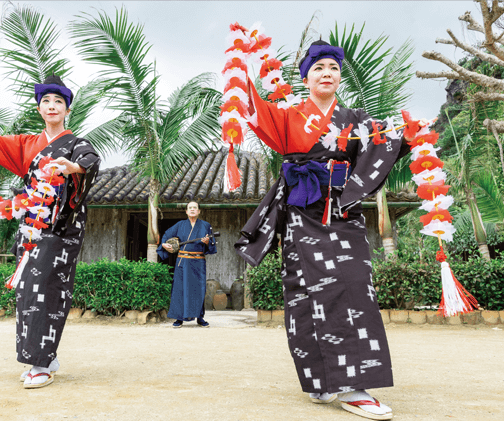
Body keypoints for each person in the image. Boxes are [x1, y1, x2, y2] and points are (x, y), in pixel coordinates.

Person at [235, 40, 425, 420]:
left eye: (334, 68)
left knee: (354, 285)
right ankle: (320, 380)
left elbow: (388, 142)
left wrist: (414, 130)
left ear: (340, 78)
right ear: (306, 78)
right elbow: (250, 104)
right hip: (299, 216)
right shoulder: (288, 116)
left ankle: (355, 386)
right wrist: (239, 65)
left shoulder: (356, 120)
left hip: (342, 210)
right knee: (303, 294)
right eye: (319, 67)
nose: (327, 73)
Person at [0, 74, 100, 389]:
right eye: (46, 101)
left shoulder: (77, 143)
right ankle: (43, 357)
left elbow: (89, 161)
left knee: (47, 287)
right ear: (39, 108)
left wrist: (73, 168)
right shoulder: (27, 144)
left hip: (62, 225)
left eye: (58, 102)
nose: (52, 106)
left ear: (67, 110)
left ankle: (41, 363)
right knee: (28, 289)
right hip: (31, 226)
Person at [157, 202, 217, 328]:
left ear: (199, 211)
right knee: (180, 289)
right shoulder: (180, 225)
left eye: (195, 208)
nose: (192, 210)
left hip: (198, 262)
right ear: (186, 211)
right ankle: (179, 319)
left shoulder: (206, 225)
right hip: (183, 262)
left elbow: (211, 244)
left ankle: (200, 318)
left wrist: (206, 242)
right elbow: (167, 234)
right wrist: (163, 244)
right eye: (190, 208)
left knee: (199, 289)